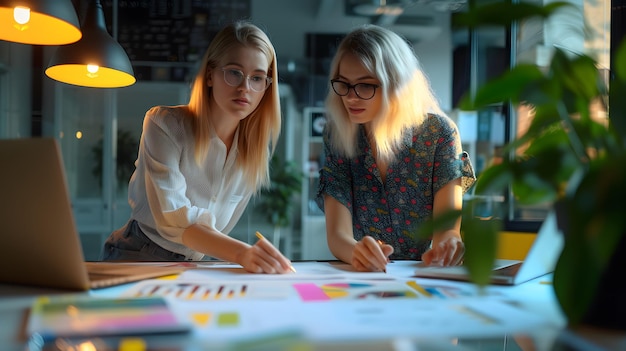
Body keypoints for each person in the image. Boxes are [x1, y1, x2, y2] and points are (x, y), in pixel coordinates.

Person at [102, 21, 293, 274]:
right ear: (211, 75)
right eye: (234, 72)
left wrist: (243, 254)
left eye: (257, 78)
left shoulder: (255, 151)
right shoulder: (164, 124)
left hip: (198, 261)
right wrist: (242, 253)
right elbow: (174, 218)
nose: (245, 87)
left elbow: (217, 231)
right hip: (138, 253)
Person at [316, 24, 476, 272]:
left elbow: (448, 230)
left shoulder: (438, 133)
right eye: (344, 84)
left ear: (397, 85)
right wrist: (357, 252)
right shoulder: (337, 135)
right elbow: (338, 236)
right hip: (363, 277)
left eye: (366, 85)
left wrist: (448, 247)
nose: (350, 97)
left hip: (420, 275)